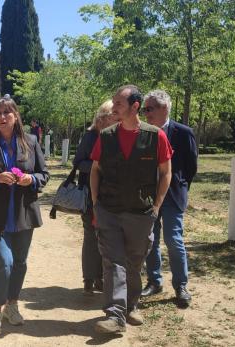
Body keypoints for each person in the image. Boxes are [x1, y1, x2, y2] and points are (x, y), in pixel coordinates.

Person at [89, 85, 173, 334]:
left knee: (134, 261)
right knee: (113, 262)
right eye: (114, 103)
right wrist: (95, 203)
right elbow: (95, 170)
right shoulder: (106, 136)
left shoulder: (155, 136)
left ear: (135, 106)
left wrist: (156, 206)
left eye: (119, 104)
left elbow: (166, 172)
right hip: (109, 210)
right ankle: (115, 315)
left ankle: (131, 305)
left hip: (141, 212)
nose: (114, 108)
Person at [0, 96, 50, 336]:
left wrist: (31, 179)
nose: (2, 117)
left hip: (23, 214)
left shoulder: (30, 141)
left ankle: (12, 305)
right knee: (3, 262)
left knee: (19, 263)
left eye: (7, 112)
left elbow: (44, 174)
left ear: (15, 116)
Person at [141, 90, 197, 308]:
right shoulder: (143, 133)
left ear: (164, 108)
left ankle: (181, 286)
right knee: (150, 240)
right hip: (147, 197)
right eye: (144, 109)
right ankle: (154, 281)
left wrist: (181, 187)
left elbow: (191, 166)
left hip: (173, 196)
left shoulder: (183, 133)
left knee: (174, 240)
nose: (145, 113)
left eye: (150, 108)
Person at [72, 100, 118, 296]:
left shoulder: (115, 136)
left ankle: (101, 278)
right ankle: (89, 279)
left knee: (106, 236)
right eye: (111, 116)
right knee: (91, 235)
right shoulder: (90, 137)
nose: (114, 119)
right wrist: (97, 167)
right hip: (90, 194)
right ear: (101, 119)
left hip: (111, 194)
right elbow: (78, 162)